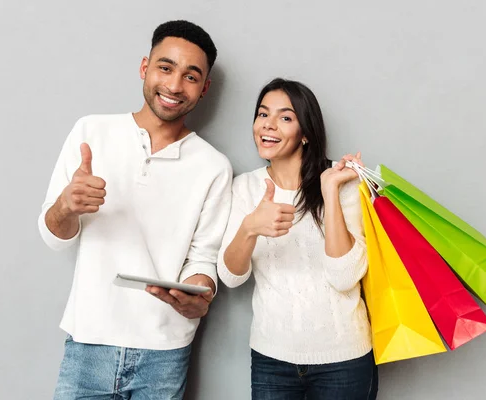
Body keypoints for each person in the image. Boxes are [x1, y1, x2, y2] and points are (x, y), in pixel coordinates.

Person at [38, 20, 232, 399]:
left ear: (204, 88)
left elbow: (203, 260)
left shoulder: (214, 166)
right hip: (88, 343)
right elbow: (53, 236)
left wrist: (200, 293)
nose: (175, 85)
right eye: (165, 67)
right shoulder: (90, 133)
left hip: (165, 353)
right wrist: (67, 205)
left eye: (191, 76)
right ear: (145, 68)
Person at [217, 78, 378, 399]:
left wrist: (329, 191)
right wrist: (250, 227)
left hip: (343, 358)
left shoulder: (344, 182)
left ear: (306, 133)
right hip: (270, 358)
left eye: (285, 117)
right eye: (263, 114)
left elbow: (345, 277)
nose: (268, 125)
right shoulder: (245, 187)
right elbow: (231, 277)